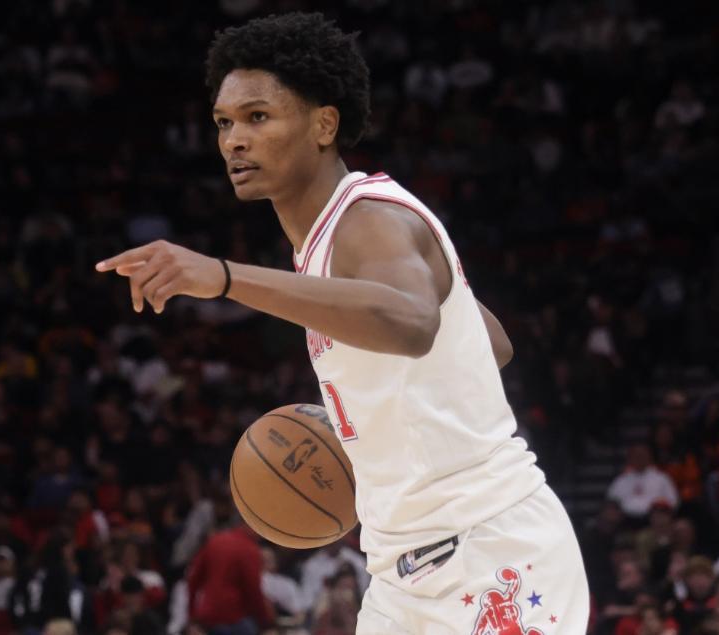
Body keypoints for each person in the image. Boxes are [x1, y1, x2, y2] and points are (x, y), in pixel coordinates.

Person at [96, 12, 589, 633]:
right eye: (224, 122)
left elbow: (414, 323)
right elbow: (487, 342)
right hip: (401, 577)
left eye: (257, 116)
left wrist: (222, 277)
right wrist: (377, 421)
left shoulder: (368, 220)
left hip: (489, 554)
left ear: (324, 124)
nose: (234, 140)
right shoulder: (326, 241)